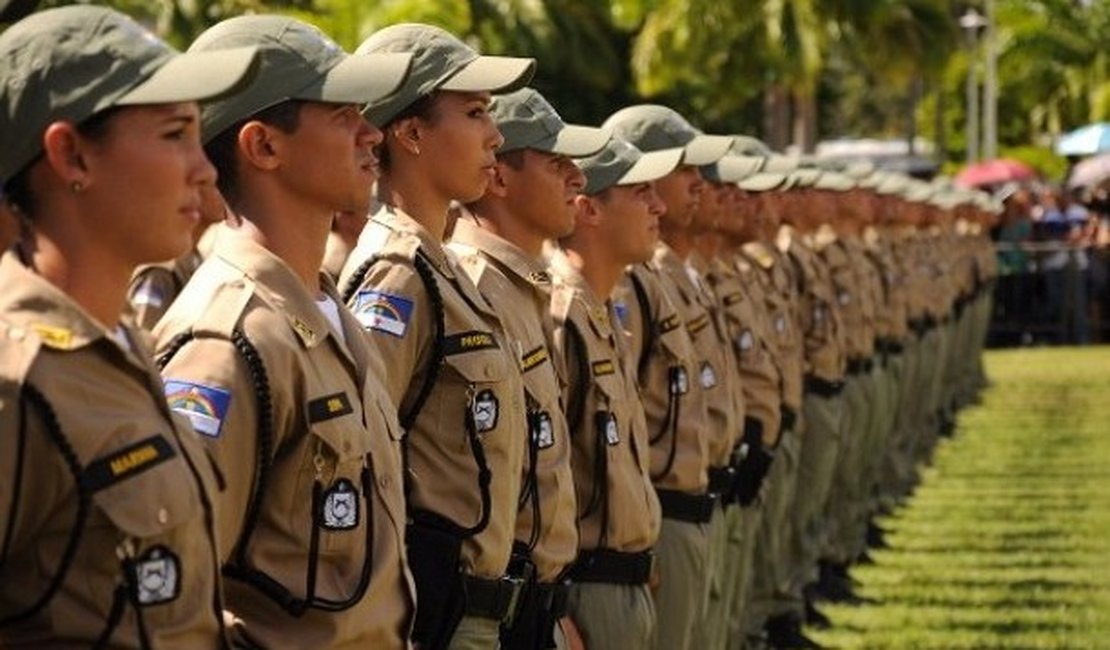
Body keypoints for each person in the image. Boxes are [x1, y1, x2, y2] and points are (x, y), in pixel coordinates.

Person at [152, 15, 415, 648]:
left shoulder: (327, 311)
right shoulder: (226, 339)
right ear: (264, 147)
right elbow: (175, 595)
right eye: (343, 114)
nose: (371, 134)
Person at [0, 6, 257, 647]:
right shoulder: (17, 374)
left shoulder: (119, 346)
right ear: (70, 154)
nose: (205, 170)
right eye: (174, 134)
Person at [338, 23, 535, 650]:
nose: (495, 137)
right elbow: (361, 456)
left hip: (475, 610)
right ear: (412, 133)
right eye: (475, 113)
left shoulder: (440, 264)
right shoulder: (397, 273)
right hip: (435, 616)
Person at [447, 87, 608, 649]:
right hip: (491, 608)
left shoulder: (521, 289)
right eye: (557, 164)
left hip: (538, 600)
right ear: (499, 177)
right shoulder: (468, 286)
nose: (578, 180)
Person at [602, 104, 731, 650]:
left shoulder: (664, 277)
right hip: (653, 519)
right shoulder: (630, 284)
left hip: (689, 503)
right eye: (684, 170)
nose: (699, 185)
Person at [548, 134, 678, 650]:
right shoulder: (562, 318)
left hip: (626, 578)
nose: (659, 206)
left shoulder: (601, 311)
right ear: (588, 210)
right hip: (587, 590)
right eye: (640, 192)